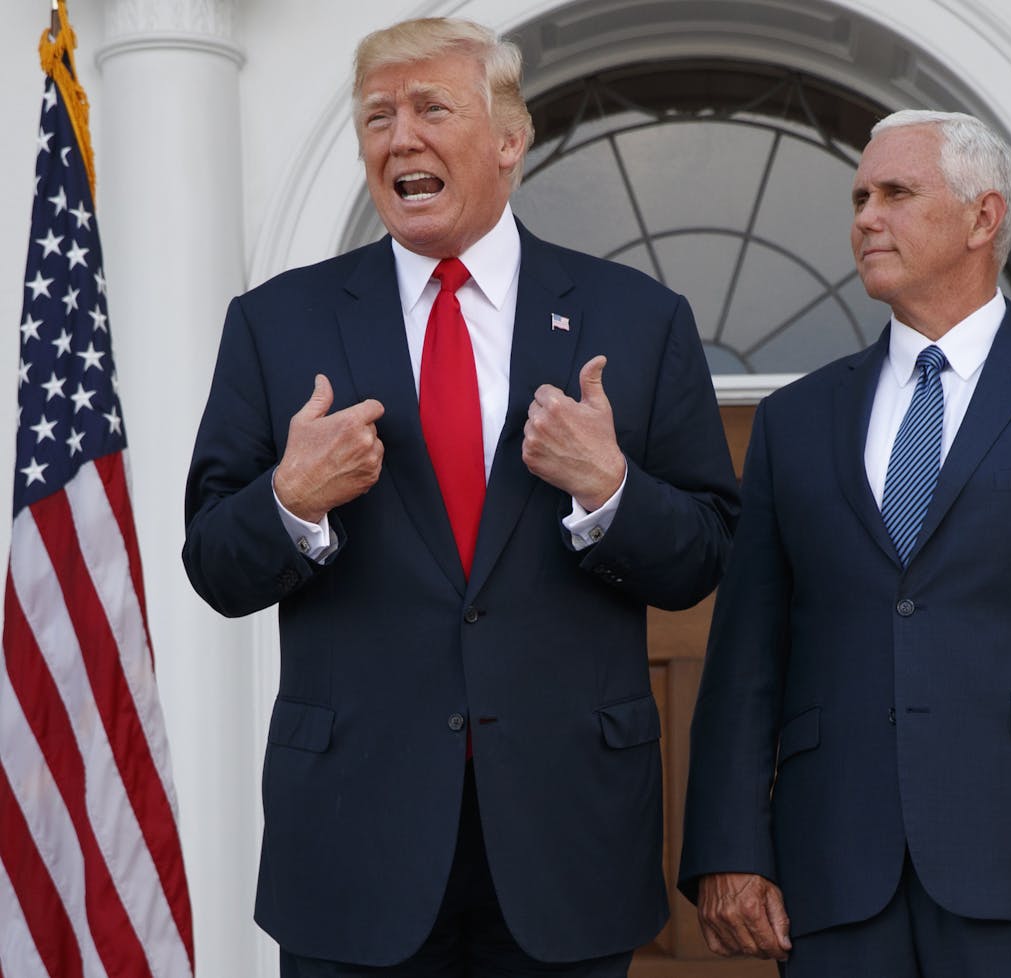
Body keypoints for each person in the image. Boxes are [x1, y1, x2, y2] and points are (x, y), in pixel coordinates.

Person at [183, 16, 737, 977]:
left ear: (509, 140)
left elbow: (702, 557)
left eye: (431, 109)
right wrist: (292, 499)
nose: (401, 138)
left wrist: (610, 491)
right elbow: (213, 566)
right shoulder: (279, 323)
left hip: (567, 838)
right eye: (377, 118)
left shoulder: (638, 320)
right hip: (353, 842)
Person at [678, 109, 1011, 977]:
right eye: (858, 197)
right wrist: (728, 849)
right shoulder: (793, 420)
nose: (865, 217)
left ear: (983, 217)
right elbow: (745, 659)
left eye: (895, 193)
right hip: (836, 882)